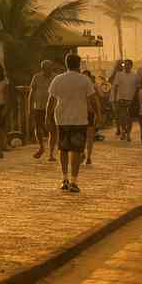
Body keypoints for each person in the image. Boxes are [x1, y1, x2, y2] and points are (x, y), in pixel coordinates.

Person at [48, 53, 95, 193]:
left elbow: (51, 99)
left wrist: (47, 115)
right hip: (79, 119)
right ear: (78, 64)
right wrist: (98, 113)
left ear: (66, 63)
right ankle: (74, 181)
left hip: (61, 119)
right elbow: (92, 99)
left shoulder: (58, 79)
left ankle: (64, 179)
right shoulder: (84, 80)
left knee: (63, 149)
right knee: (76, 150)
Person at [30, 58, 57, 162]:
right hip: (39, 107)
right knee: (38, 128)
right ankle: (41, 146)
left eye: (49, 68)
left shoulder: (55, 77)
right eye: (45, 68)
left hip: (52, 107)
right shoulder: (36, 77)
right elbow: (31, 93)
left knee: (52, 130)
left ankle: (51, 153)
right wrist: (30, 108)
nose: (47, 70)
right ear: (42, 68)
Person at [111, 58, 138, 141]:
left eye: (128, 65)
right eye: (125, 65)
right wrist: (115, 99)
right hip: (121, 99)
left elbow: (137, 88)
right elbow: (115, 87)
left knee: (130, 119)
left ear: (131, 66)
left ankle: (128, 134)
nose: (126, 66)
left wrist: (136, 100)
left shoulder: (135, 76)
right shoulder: (119, 74)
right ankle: (123, 131)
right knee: (122, 118)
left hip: (131, 100)